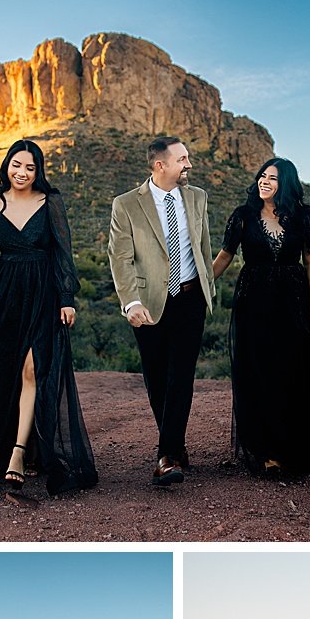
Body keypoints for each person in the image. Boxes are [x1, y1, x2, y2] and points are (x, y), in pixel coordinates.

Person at [0, 138, 96, 496]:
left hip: (42, 294)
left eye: (30, 167)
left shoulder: (50, 202)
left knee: (32, 368)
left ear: (38, 171)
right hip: (4, 295)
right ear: (6, 166)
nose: (22, 172)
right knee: (4, 371)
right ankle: (3, 444)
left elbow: (62, 253)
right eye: (16, 165)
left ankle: (19, 452)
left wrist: (67, 297)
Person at [212, 157, 310, 477]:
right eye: (262, 176)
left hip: (292, 301)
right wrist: (201, 284)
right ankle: (268, 450)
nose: (264, 181)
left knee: (294, 369)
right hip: (254, 302)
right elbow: (225, 257)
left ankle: (297, 445)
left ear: (285, 184)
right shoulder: (243, 216)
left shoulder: (302, 218)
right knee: (261, 371)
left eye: (272, 178)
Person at [109, 136, 215, 487]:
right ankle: (176, 445)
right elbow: (120, 258)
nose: (189, 164)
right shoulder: (125, 205)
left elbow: (203, 245)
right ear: (160, 165)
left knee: (181, 374)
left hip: (189, 298)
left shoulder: (197, 197)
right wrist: (131, 301)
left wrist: (207, 289)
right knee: (156, 377)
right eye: (183, 159)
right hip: (148, 302)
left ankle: (167, 457)